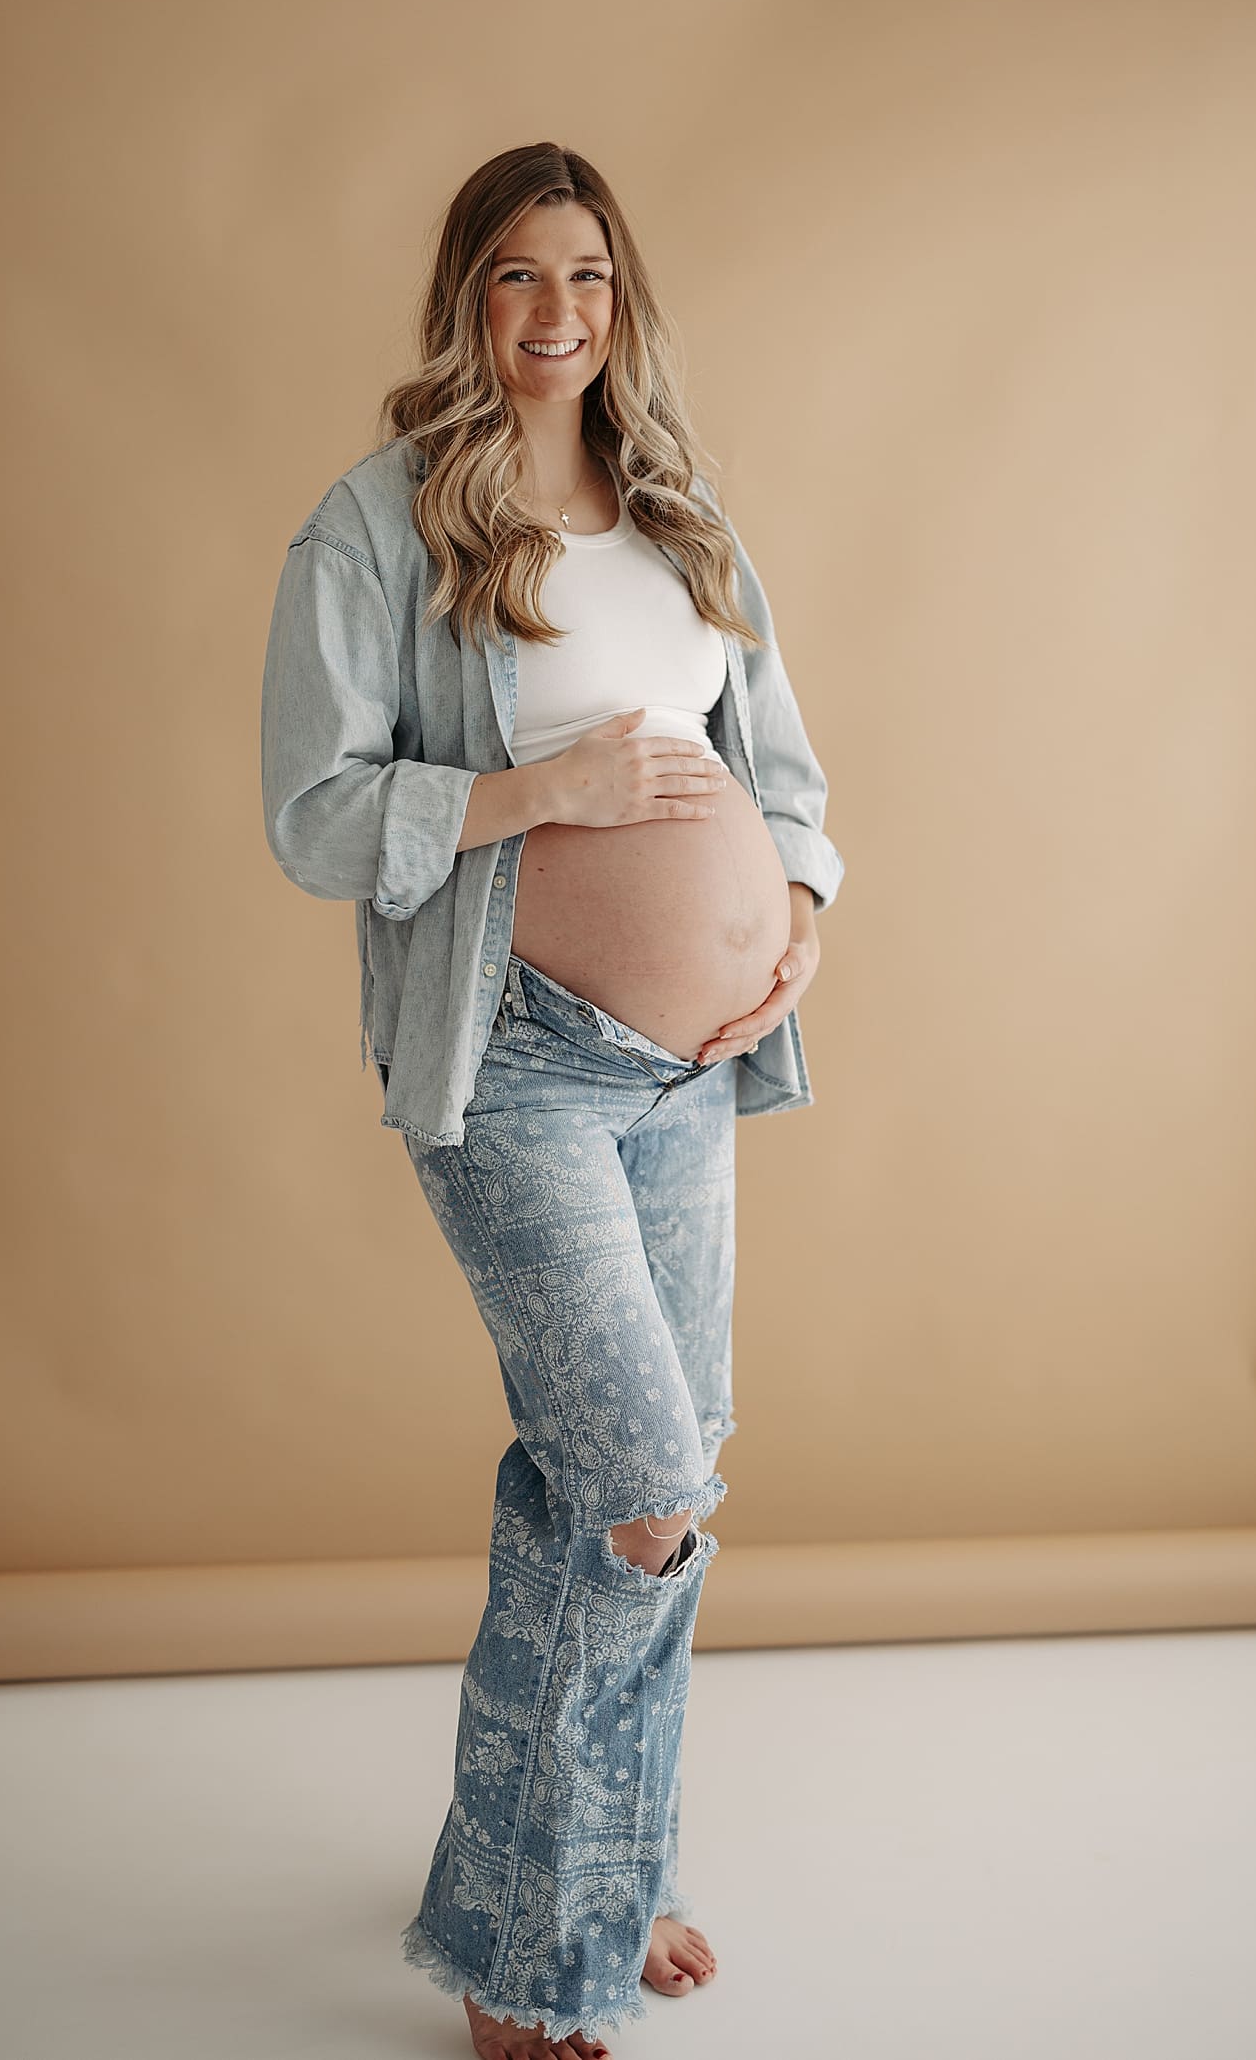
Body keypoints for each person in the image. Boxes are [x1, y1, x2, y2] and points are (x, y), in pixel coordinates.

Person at [260, 143, 846, 2060]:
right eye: (519, 276)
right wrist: (538, 796)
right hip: (508, 1061)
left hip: (690, 1068)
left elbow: (784, 771)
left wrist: (800, 918)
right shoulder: (379, 526)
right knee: (642, 1490)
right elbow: (319, 812)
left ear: (622, 302)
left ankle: (589, 1858)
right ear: (466, 297)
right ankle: (536, 1959)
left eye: (588, 278)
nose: (557, 314)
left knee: (627, 1478)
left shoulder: (682, 520)